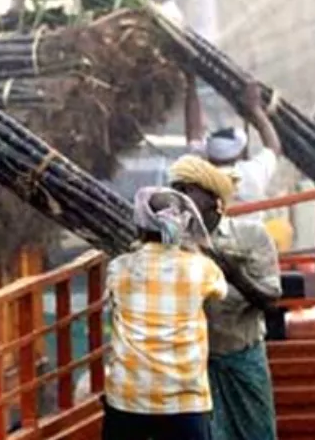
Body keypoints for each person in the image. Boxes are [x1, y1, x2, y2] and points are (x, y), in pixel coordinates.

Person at [170, 155, 282, 440]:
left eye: (185, 189)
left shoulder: (250, 235)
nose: (177, 197)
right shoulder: (169, 244)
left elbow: (271, 299)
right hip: (192, 368)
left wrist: (236, 277)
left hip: (243, 358)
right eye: (174, 189)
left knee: (257, 433)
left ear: (211, 197)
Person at [103, 186, 227, 440]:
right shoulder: (202, 269)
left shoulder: (119, 268)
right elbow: (220, 292)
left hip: (128, 398)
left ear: (139, 227)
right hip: (185, 400)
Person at [185, 81, 283, 218]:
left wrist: (190, 85)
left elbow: (194, 131)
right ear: (238, 155)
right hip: (251, 236)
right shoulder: (250, 175)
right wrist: (255, 109)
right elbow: (274, 146)